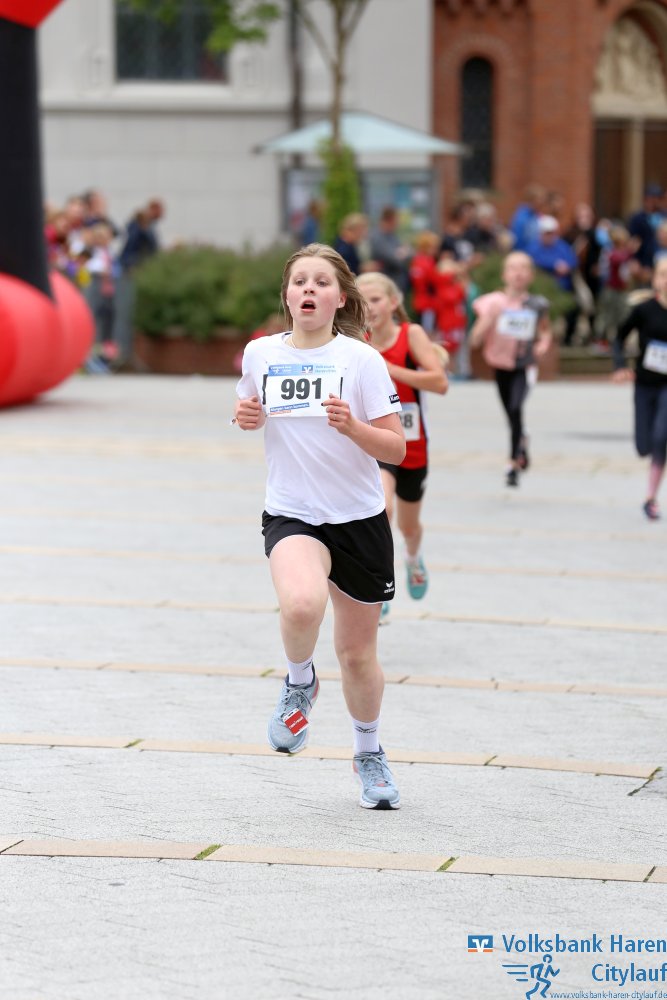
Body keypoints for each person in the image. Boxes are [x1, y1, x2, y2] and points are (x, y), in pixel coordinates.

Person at [234, 242, 406, 809]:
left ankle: (368, 754)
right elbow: (247, 408)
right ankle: (299, 681)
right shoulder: (260, 354)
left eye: (321, 282)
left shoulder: (361, 360)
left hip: (358, 519)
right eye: (300, 281)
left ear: (340, 298)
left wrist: (354, 428)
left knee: (356, 655)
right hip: (293, 511)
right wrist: (245, 416)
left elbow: (397, 448)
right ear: (287, 295)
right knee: (302, 605)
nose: (309, 289)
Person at [358, 272, 448, 623]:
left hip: (412, 445)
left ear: (393, 302)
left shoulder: (411, 335)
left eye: (376, 299)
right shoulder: (355, 340)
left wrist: (389, 368)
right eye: (363, 300)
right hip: (378, 441)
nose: (369, 307)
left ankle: (412, 557)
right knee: (381, 509)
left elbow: (439, 382)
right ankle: (378, 585)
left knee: (409, 527)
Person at [470, 252, 553, 487]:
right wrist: (487, 321)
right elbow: (474, 340)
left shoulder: (536, 304)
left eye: (524, 268)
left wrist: (542, 345)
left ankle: (513, 463)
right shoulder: (492, 302)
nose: (518, 273)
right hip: (500, 366)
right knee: (510, 413)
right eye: (513, 268)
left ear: (531, 275)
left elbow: (545, 331)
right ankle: (522, 442)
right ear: (504, 274)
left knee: (516, 408)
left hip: (524, 366)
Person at [612, 256, 667, 521]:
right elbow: (619, 337)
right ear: (655, 279)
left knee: (660, 437)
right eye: (663, 274)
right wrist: (620, 366)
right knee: (644, 446)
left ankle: (650, 497)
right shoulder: (644, 310)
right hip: (645, 384)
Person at [526, 215, 579, 345]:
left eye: (551, 233)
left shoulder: (562, 246)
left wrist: (567, 266)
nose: (549, 236)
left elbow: (572, 260)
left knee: (574, 308)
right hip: (542, 289)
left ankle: (567, 339)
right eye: (546, 233)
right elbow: (532, 261)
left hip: (563, 289)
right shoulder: (533, 247)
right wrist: (553, 265)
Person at [370, 206, 412, 294]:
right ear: (391, 220)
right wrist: (401, 253)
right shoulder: (378, 237)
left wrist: (402, 253)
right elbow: (393, 260)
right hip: (387, 283)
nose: (399, 222)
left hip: (399, 283)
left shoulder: (392, 236)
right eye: (397, 219)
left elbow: (410, 252)